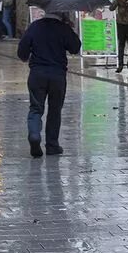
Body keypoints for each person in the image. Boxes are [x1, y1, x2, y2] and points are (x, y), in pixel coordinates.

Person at [17, 11, 82, 158]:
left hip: (37, 74)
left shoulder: (35, 27)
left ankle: (34, 135)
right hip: (57, 75)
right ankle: (52, 145)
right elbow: (75, 47)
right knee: (55, 110)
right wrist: (70, 29)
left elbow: (22, 53)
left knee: (35, 108)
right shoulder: (63, 28)